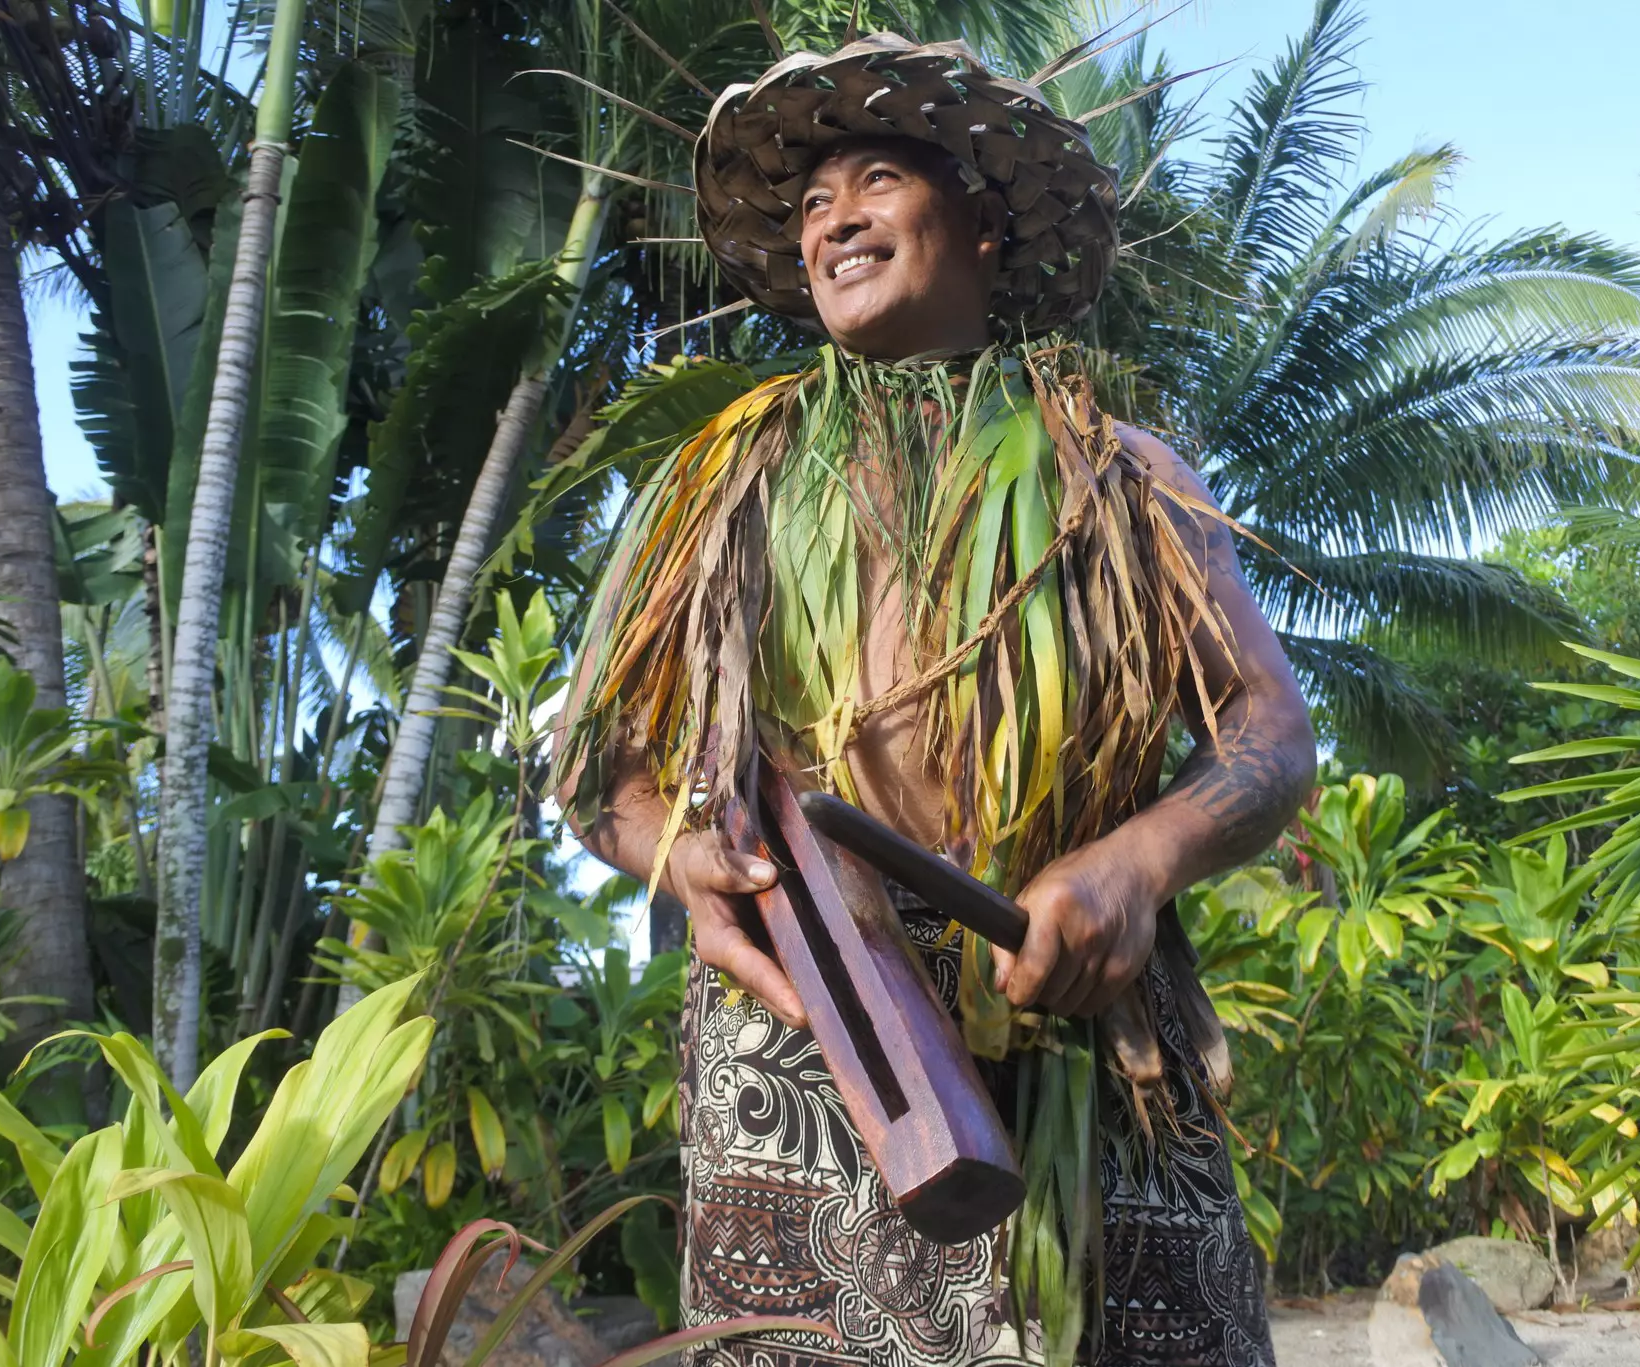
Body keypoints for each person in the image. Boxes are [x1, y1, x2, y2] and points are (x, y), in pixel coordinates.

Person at [557, 34, 1314, 1367]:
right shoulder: (728, 476)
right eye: (808, 205)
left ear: (977, 224)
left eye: (875, 181)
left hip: (1086, 1000)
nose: (832, 219)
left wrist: (1138, 860)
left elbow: (1268, 730)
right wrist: (680, 860)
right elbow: (597, 774)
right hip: (813, 1020)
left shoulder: (1118, 474)